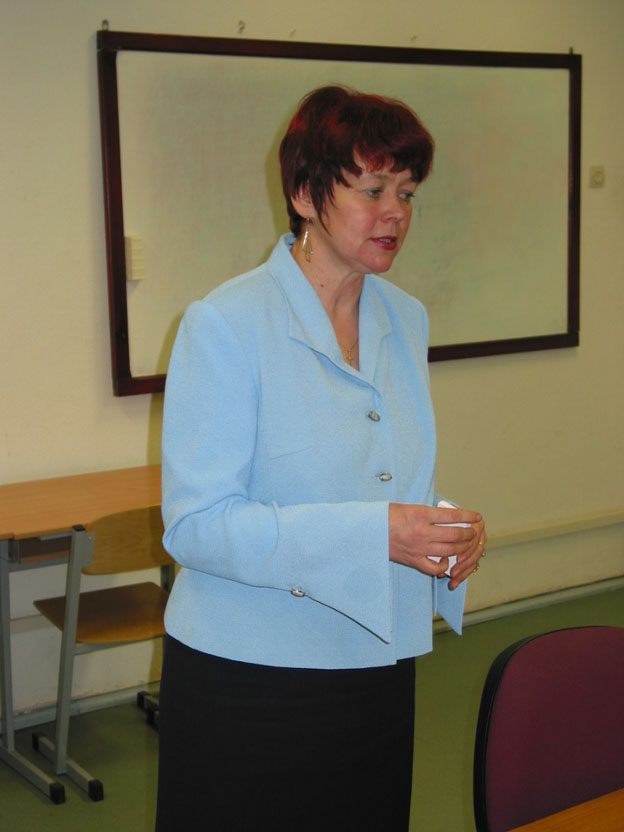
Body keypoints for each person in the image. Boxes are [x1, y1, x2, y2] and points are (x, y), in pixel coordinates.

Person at [155, 85, 487, 831]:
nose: (395, 212)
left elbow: (385, 476)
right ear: (305, 195)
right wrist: (379, 534)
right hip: (251, 679)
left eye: (407, 192)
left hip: (375, 663)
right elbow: (197, 527)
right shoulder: (226, 324)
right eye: (372, 190)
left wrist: (442, 529)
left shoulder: (406, 318)